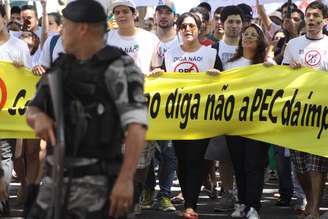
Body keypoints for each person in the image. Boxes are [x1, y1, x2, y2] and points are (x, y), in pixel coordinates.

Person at [26, 0, 147, 218]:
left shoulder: (119, 66)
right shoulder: (60, 67)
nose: (61, 31)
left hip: (99, 187)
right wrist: (38, 117)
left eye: (66, 25)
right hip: (54, 187)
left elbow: (136, 126)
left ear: (82, 28)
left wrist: (126, 179)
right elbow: (33, 109)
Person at [151, 11, 222, 219]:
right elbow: (164, 82)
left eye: (191, 26)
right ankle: (189, 204)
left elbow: (227, 85)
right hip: (177, 119)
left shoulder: (211, 54)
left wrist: (218, 76)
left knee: (195, 159)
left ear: (199, 29)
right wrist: (157, 74)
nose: (187, 30)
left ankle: (191, 206)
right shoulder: (171, 54)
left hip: (201, 118)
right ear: (178, 29)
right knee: (182, 160)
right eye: (183, 26)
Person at [282, 2, 328, 218]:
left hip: (321, 115)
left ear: (324, 21)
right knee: (299, 166)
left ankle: (316, 208)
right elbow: (280, 76)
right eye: (308, 15)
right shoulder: (292, 44)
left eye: (316, 15)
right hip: (297, 114)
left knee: (316, 164)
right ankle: (310, 200)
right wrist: (289, 70)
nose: (311, 19)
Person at [225, 23, 270, 219]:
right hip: (235, 125)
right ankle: (242, 203)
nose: (248, 37)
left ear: (260, 41)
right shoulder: (230, 65)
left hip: (258, 126)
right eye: (246, 34)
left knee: (254, 165)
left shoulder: (268, 66)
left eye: (253, 35)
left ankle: (253, 206)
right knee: (239, 165)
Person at [141, 0, 178, 212]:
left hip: (171, 106)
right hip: (147, 104)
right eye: (160, 12)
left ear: (174, 16)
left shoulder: (181, 40)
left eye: (168, 12)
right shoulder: (147, 40)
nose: (163, 16)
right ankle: (147, 190)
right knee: (145, 152)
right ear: (155, 16)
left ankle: (165, 195)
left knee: (169, 153)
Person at [210, 5, 244, 212]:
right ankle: (228, 193)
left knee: (244, 156)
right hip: (221, 111)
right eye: (230, 21)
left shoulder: (251, 46)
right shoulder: (212, 49)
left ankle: (244, 194)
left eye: (238, 21)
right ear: (222, 24)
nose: (234, 25)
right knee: (224, 156)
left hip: (247, 112)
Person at [0, 3, 31, 215]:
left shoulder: (19, 46)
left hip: (9, 116)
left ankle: (2, 201)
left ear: (4, 19)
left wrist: (21, 69)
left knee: (4, 158)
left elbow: (27, 82)